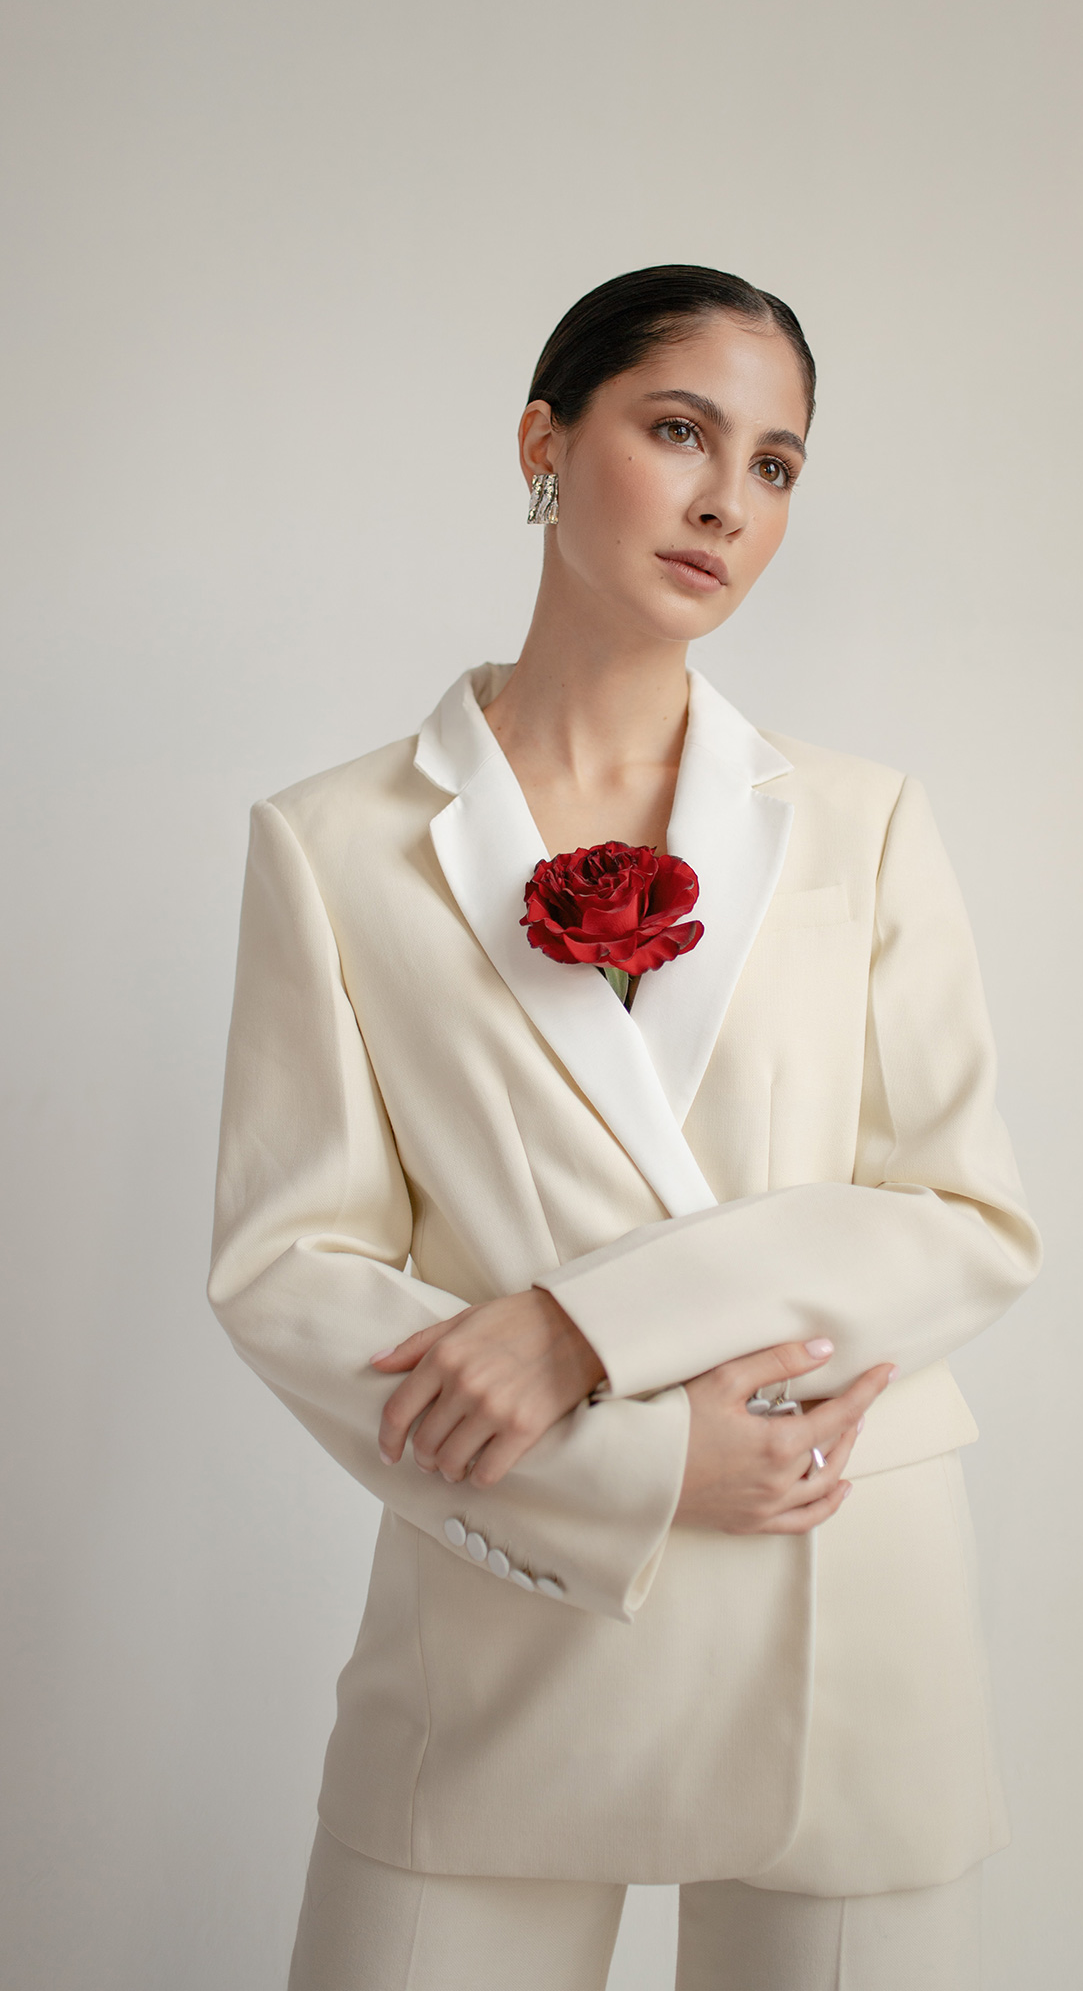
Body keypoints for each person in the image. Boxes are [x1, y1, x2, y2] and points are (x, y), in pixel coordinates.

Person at [208, 264, 1041, 1991]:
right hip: (512, 1606)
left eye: (775, 465)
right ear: (542, 441)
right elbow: (291, 1271)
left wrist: (582, 1328)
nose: (727, 500)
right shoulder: (334, 841)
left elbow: (964, 1222)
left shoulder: (865, 823)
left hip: (842, 1595)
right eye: (678, 432)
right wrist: (637, 1466)